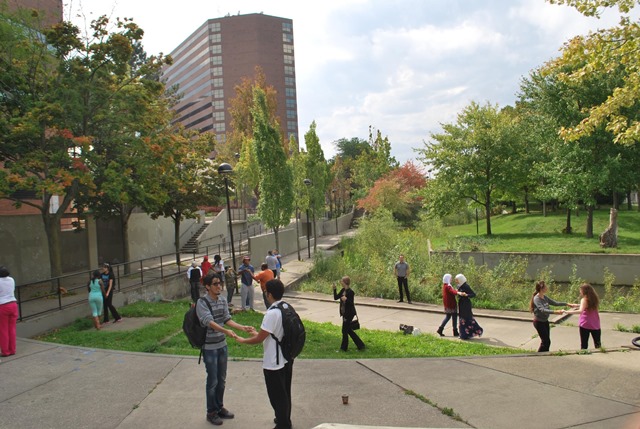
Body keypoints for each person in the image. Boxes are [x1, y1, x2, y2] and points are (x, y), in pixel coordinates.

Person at [197, 273, 256, 425]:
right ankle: (211, 412)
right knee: (213, 380)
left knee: (221, 380)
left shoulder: (222, 300)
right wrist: (226, 332)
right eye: (215, 283)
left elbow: (226, 319)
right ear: (208, 286)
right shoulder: (202, 302)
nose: (219, 286)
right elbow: (208, 321)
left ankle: (219, 407)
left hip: (222, 346)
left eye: (220, 283)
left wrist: (242, 328)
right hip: (210, 347)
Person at [236, 279, 294, 429]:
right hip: (286, 357)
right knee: (285, 391)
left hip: (273, 361)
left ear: (269, 294)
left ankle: (283, 424)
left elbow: (259, 338)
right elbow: (271, 333)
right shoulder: (285, 307)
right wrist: (257, 333)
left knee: (276, 395)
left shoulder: (271, 313)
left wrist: (242, 340)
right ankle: (284, 419)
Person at [530, 280, 575, 352]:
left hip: (545, 321)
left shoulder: (544, 297)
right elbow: (542, 310)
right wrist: (555, 312)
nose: (547, 287)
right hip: (539, 322)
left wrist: (567, 304)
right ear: (541, 288)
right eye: (545, 286)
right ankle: (538, 356)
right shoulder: (536, 299)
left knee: (547, 341)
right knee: (546, 342)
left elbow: (555, 303)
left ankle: (545, 356)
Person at [564, 283, 602, 349]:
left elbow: (580, 311)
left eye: (580, 290)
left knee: (584, 344)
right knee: (598, 344)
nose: (580, 292)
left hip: (585, 324)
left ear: (584, 291)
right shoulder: (594, 299)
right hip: (595, 324)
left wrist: (567, 312)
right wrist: (576, 305)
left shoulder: (584, 300)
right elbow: (586, 305)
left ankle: (584, 354)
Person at [332, 276, 365, 351]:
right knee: (348, 330)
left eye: (342, 281)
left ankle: (343, 348)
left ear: (345, 282)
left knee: (344, 330)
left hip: (349, 313)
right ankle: (361, 345)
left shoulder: (351, 292)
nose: (341, 282)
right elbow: (336, 297)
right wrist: (334, 289)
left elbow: (351, 303)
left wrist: (346, 299)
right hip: (344, 313)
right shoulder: (343, 290)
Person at [454, 274, 483, 340]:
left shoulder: (466, 286)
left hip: (466, 305)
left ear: (461, 280)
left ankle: (478, 330)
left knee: (467, 319)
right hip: (461, 304)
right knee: (462, 320)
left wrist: (466, 295)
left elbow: (473, 294)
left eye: (457, 280)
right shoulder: (459, 286)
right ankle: (463, 335)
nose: (456, 281)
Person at [0, 266, 18, 357]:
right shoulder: (11, 280)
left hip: (3, 306)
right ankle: (12, 349)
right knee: (12, 328)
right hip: (13, 304)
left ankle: (5, 351)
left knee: (3, 330)